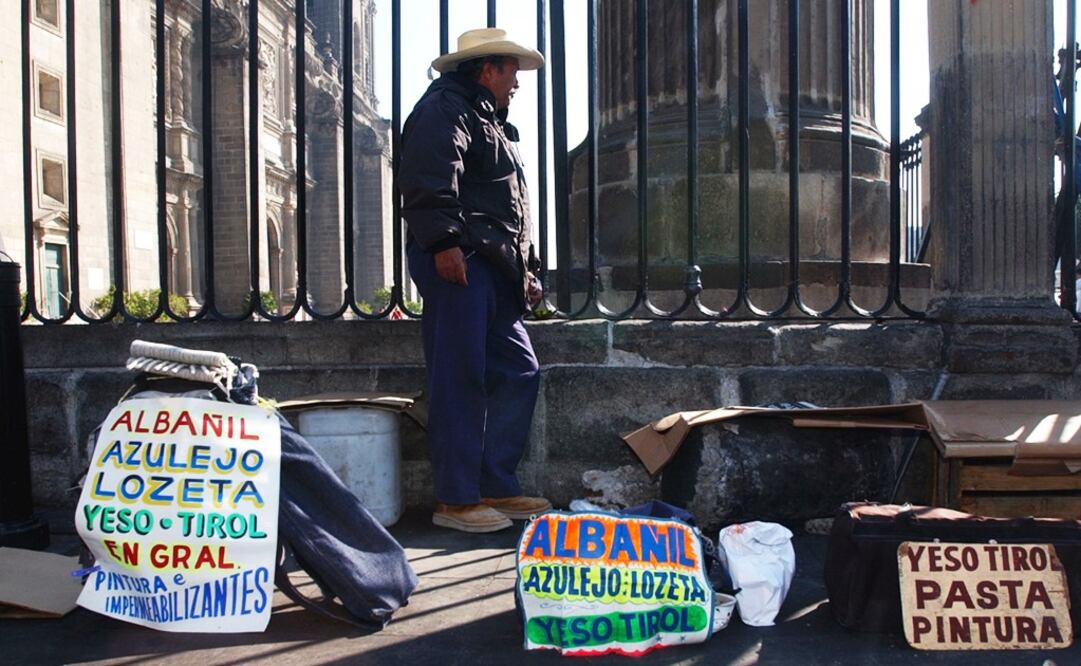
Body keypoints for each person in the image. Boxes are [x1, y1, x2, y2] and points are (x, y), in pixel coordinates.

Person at [400, 28, 552, 533]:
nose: (516, 83)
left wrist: (524, 272)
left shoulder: (483, 117)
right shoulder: (445, 108)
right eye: (512, 72)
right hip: (459, 262)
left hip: (486, 265)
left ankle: (492, 484)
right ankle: (457, 499)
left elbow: (504, 208)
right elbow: (428, 176)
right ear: (487, 69)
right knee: (459, 377)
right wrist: (443, 244)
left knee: (519, 369)